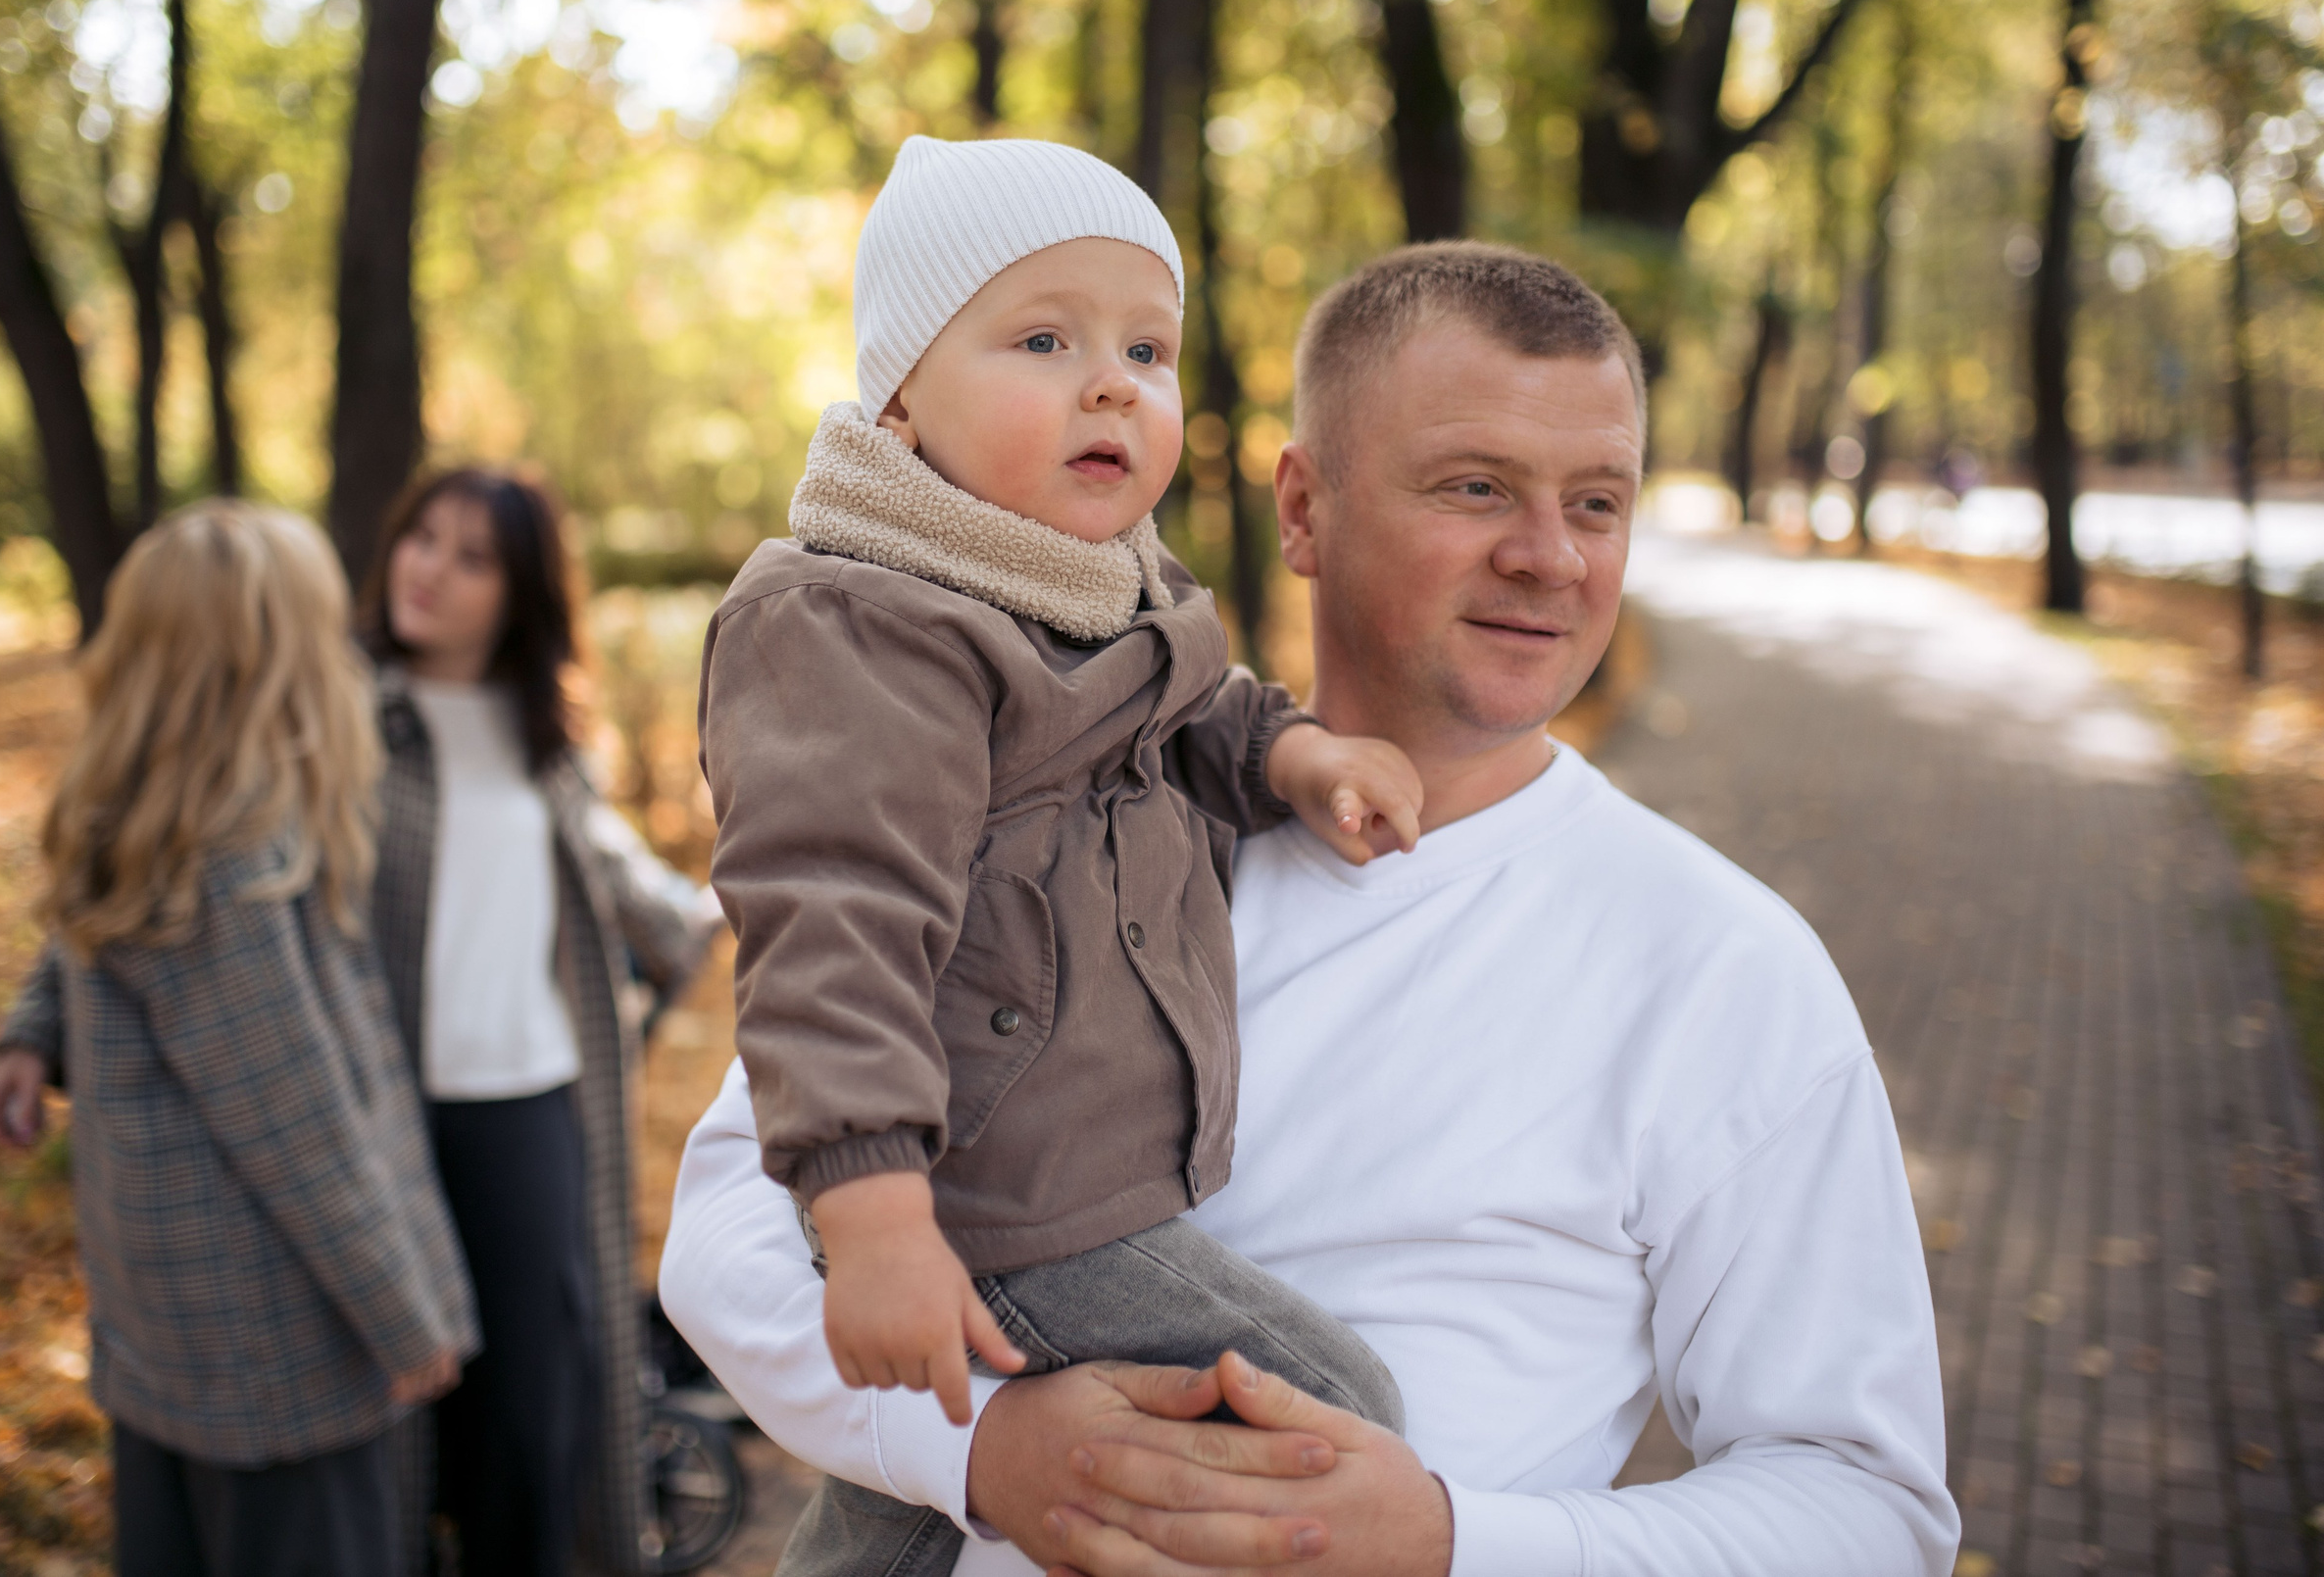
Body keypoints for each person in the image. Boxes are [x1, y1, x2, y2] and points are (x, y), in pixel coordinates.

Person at [662, 242, 1960, 1576]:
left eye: (1598, 501)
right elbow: (725, 1228)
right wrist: (980, 1452)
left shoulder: (1722, 967)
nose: (1549, 555)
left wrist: (1450, 1543)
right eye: (1476, 487)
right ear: (1302, 508)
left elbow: (1865, 1507)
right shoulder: (1046, 795)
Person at [697, 135, 1424, 1576]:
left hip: (1053, 1181)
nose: (1112, 381)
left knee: (908, 1492)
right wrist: (877, 1212)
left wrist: (1291, 754)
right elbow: (831, 919)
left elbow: (1183, 712)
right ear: (900, 394)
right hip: (992, 1189)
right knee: (1343, 1411)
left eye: (1145, 348)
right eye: (1044, 337)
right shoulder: (861, 624)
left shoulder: (1096, 595)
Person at [0, 501, 476, 1577]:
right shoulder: (230, 856)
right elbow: (295, 1124)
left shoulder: (139, 805)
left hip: (167, 1329)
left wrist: (27, 1035)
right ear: (272, 658)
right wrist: (406, 1315)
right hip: (277, 1351)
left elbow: (82, 941)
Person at [357, 466, 717, 1577]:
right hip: (386, 1124)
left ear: (518, 594)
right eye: (423, 538)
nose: (432, 569)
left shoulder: (547, 750)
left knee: (534, 1424)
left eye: (473, 557)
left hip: (532, 1120)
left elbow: (657, 911)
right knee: (407, 1426)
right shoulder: (342, 718)